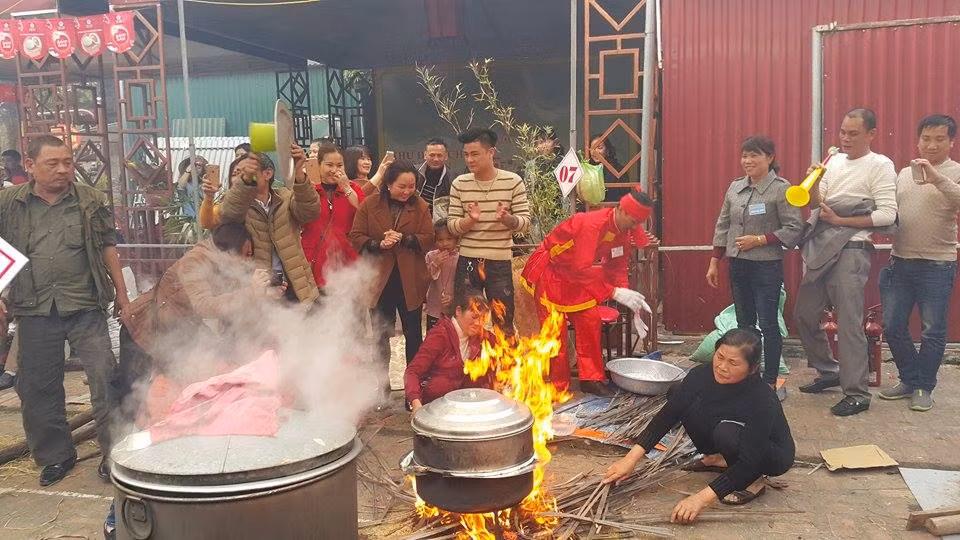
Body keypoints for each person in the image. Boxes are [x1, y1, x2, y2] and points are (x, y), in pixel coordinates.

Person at [0, 135, 130, 486]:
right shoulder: (9, 202)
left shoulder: (89, 199)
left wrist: (122, 295)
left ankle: (115, 454)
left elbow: (108, 246)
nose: (62, 170)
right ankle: (56, 456)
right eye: (52, 163)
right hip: (33, 307)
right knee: (37, 386)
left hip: (85, 304)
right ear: (30, 165)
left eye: (68, 162)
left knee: (105, 380)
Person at [603, 329, 795, 524]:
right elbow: (669, 414)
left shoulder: (762, 400)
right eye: (720, 357)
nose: (722, 367)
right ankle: (718, 458)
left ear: (752, 368)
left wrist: (700, 499)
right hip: (732, 431)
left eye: (733, 363)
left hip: (771, 455)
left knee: (727, 433)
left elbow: (750, 459)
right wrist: (630, 459)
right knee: (679, 393)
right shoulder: (701, 375)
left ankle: (754, 481)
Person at [794, 108, 897, 416]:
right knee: (804, 314)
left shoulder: (880, 164)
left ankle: (857, 393)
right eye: (842, 132)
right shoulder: (834, 161)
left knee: (849, 322)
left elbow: (887, 215)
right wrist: (814, 183)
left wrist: (841, 220)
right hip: (822, 246)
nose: (845, 139)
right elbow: (818, 204)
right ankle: (829, 371)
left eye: (853, 133)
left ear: (871, 134)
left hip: (853, 249)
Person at [520, 191, 654, 396]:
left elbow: (617, 266)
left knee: (590, 320)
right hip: (552, 274)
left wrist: (626, 293)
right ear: (621, 209)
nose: (634, 227)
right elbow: (580, 268)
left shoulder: (623, 232)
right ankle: (558, 386)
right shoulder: (591, 224)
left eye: (638, 223)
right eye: (633, 221)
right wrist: (613, 292)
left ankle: (591, 379)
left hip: (578, 279)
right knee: (554, 332)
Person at [707, 136, 804, 401]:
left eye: (754, 156)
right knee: (745, 324)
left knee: (769, 324)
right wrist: (715, 260)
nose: (747, 161)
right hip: (738, 265)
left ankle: (769, 381)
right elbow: (723, 224)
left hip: (766, 267)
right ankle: (748, 377)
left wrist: (760, 239)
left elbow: (794, 228)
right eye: (744, 156)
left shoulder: (781, 189)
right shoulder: (735, 187)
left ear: (770, 158)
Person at [879, 114, 960, 412]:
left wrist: (937, 178)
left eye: (939, 139)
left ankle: (924, 386)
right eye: (926, 138)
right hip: (900, 262)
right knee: (892, 325)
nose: (931, 145)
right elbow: (890, 210)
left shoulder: (955, 172)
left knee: (932, 330)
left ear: (952, 142)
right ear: (918, 140)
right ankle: (909, 379)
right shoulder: (903, 174)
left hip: (937, 265)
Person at [349, 160, 435, 400]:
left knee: (413, 335)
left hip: (409, 280)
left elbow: (429, 237)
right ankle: (382, 387)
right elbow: (356, 236)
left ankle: (413, 390)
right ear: (388, 184)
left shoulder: (420, 206)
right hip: (380, 281)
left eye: (411, 186)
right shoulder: (369, 204)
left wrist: (406, 239)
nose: (407, 191)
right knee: (380, 336)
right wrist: (378, 244)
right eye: (401, 186)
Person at [448, 127, 530, 334]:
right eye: (466, 154)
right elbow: (452, 226)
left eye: (475, 154)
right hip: (468, 261)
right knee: (466, 322)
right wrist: (470, 220)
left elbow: (524, 222)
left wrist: (507, 219)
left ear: (491, 152)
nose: (469, 159)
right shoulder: (459, 183)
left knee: (503, 322)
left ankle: (505, 356)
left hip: (499, 262)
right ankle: (468, 356)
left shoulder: (513, 182)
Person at [220, 146, 321, 305]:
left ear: (268, 174)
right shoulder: (236, 204)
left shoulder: (285, 197)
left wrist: (299, 173)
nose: (243, 177)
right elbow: (229, 214)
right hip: (255, 289)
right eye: (238, 173)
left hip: (295, 287)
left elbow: (310, 213)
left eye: (249, 172)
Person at [404, 295, 492, 410]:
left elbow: (508, 353)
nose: (478, 323)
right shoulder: (439, 335)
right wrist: (415, 401)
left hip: (470, 406)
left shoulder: (482, 336)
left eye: (483, 319)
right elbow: (412, 372)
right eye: (474, 317)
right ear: (458, 311)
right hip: (436, 406)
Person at [301, 144, 365, 290]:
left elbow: (364, 214)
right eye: (329, 165)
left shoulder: (354, 189)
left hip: (347, 261)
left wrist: (346, 187)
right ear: (319, 165)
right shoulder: (309, 189)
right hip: (314, 261)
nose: (335, 170)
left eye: (339, 165)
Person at [424, 219, 459, 330]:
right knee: (434, 337)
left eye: (449, 239)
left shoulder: (460, 258)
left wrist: (453, 298)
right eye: (440, 240)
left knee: (453, 337)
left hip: (454, 308)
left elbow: (464, 283)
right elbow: (425, 279)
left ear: (456, 239)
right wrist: (435, 263)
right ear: (435, 241)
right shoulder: (430, 256)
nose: (445, 243)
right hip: (434, 308)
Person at [198, 155, 245, 230]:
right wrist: (209, 197)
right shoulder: (226, 204)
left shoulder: (262, 202)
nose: (238, 178)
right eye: (234, 174)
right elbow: (206, 223)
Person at [417, 138, 453, 217]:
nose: (436, 159)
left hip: (439, 224)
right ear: (425, 155)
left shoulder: (452, 181)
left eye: (439, 155)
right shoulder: (414, 173)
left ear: (446, 156)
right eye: (432, 155)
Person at [588, 135, 628, 202]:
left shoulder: (618, 170)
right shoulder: (587, 169)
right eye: (592, 148)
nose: (595, 152)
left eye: (600, 148)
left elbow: (625, 195)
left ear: (607, 150)